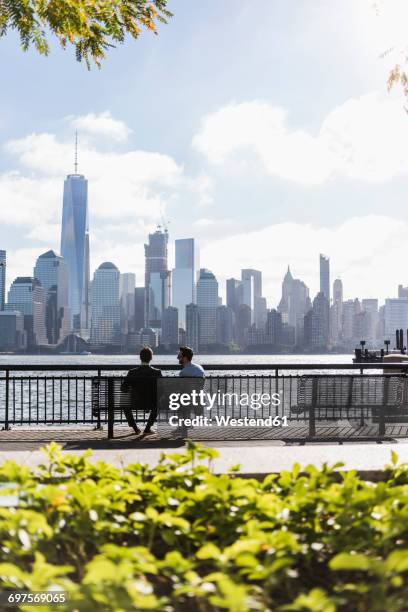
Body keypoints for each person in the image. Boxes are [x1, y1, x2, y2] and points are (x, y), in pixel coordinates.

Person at [121, 346, 162, 436]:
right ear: (151, 358)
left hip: (135, 402)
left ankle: (135, 429)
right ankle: (147, 428)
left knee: (125, 405)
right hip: (152, 403)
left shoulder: (132, 372)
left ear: (140, 358)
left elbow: (123, 388)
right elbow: (162, 390)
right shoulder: (157, 372)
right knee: (158, 405)